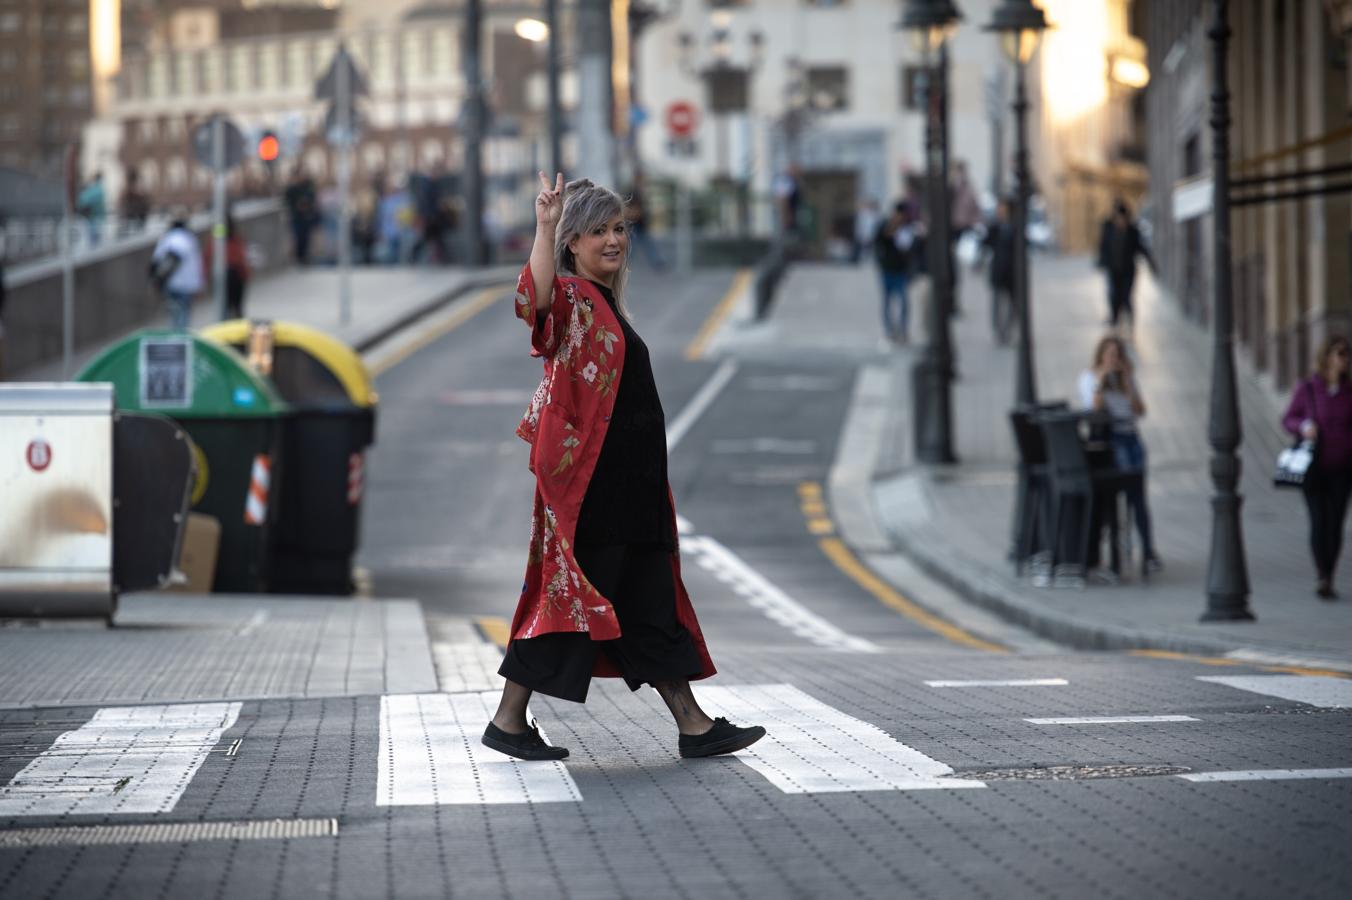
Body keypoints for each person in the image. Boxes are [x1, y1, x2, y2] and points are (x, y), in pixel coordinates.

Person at [484, 172, 766, 762]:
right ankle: (508, 719)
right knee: (571, 605)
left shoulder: (606, 301)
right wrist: (543, 226)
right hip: (598, 493)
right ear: (573, 243)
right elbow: (533, 302)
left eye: (618, 228)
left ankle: (694, 724)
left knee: (649, 605)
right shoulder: (573, 298)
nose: (613, 240)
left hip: (632, 490)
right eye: (597, 231)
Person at [1078, 335, 1162, 576]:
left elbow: (1140, 411)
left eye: (1117, 355)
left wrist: (1127, 383)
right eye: (1110, 354)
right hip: (1113, 441)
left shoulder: (1126, 378)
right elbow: (1093, 409)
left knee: (1138, 498)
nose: (1113, 359)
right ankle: (1118, 552)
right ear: (1101, 356)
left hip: (1132, 438)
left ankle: (1148, 552)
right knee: (1119, 496)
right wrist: (1102, 379)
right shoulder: (1090, 377)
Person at [1282, 334, 1352, 600]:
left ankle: (1329, 574)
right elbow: (1288, 418)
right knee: (1319, 521)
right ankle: (1322, 574)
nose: (1345, 359)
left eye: (1347, 354)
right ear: (1327, 357)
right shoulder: (1309, 388)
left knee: (1335, 524)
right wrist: (1303, 426)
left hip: (1343, 468)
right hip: (1314, 468)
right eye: (1340, 353)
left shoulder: (1349, 391)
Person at [1096, 199, 1156, 332]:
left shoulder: (1132, 231)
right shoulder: (1109, 229)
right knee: (1113, 295)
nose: (1120, 221)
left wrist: (1151, 262)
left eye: (1122, 218)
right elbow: (1103, 246)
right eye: (1117, 218)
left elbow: (1140, 247)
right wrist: (1101, 262)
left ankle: (1130, 322)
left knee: (1127, 296)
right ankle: (1115, 320)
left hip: (1128, 270)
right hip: (1113, 269)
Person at [873, 202, 920, 344]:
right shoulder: (885, 225)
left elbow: (912, 247)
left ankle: (902, 330)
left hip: (901, 269)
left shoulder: (907, 228)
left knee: (903, 301)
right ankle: (889, 331)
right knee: (887, 301)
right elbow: (878, 241)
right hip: (887, 268)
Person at [149, 215, 204, 331]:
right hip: (184, 284)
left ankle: (178, 336)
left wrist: (158, 279)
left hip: (174, 283)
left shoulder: (170, 238)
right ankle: (181, 336)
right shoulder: (188, 238)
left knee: (176, 315)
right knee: (182, 315)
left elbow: (160, 260)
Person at [981, 198, 1017, 345]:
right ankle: (999, 331)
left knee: (1011, 305)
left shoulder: (1014, 226)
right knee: (998, 303)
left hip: (1012, 271)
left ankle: (1007, 331)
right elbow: (985, 243)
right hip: (998, 270)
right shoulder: (995, 227)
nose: (1001, 212)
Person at [206, 215, 250, 319]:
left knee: (226, 306)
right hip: (233, 273)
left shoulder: (221, 234)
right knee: (235, 306)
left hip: (228, 273)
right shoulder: (233, 237)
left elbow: (211, 251)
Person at [625, 175, 666, 270]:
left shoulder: (639, 193)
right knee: (635, 247)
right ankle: (657, 263)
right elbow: (631, 210)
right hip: (635, 225)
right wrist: (636, 214)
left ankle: (657, 263)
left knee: (642, 245)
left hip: (639, 225)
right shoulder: (634, 193)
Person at [283, 165, 318, 264]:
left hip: (306, 218)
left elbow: (312, 200)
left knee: (305, 238)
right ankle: (299, 257)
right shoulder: (291, 189)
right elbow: (287, 201)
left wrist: (308, 207)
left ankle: (304, 257)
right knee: (298, 237)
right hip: (296, 218)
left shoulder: (307, 187)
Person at [76, 172, 106, 246]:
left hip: (90, 217)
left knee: (91, 238)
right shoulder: (98, 190)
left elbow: (81, 202)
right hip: (95, 217)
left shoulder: (90, 190)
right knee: (95, 238)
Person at [853, 198, 881, 265]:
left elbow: (876, 226)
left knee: (870, 248)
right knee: (862, 248)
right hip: (864, 234)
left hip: (871, 234)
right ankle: (859, 260)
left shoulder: (876, 215)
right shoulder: (863, 214)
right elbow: (861, 225)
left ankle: (869, 260)